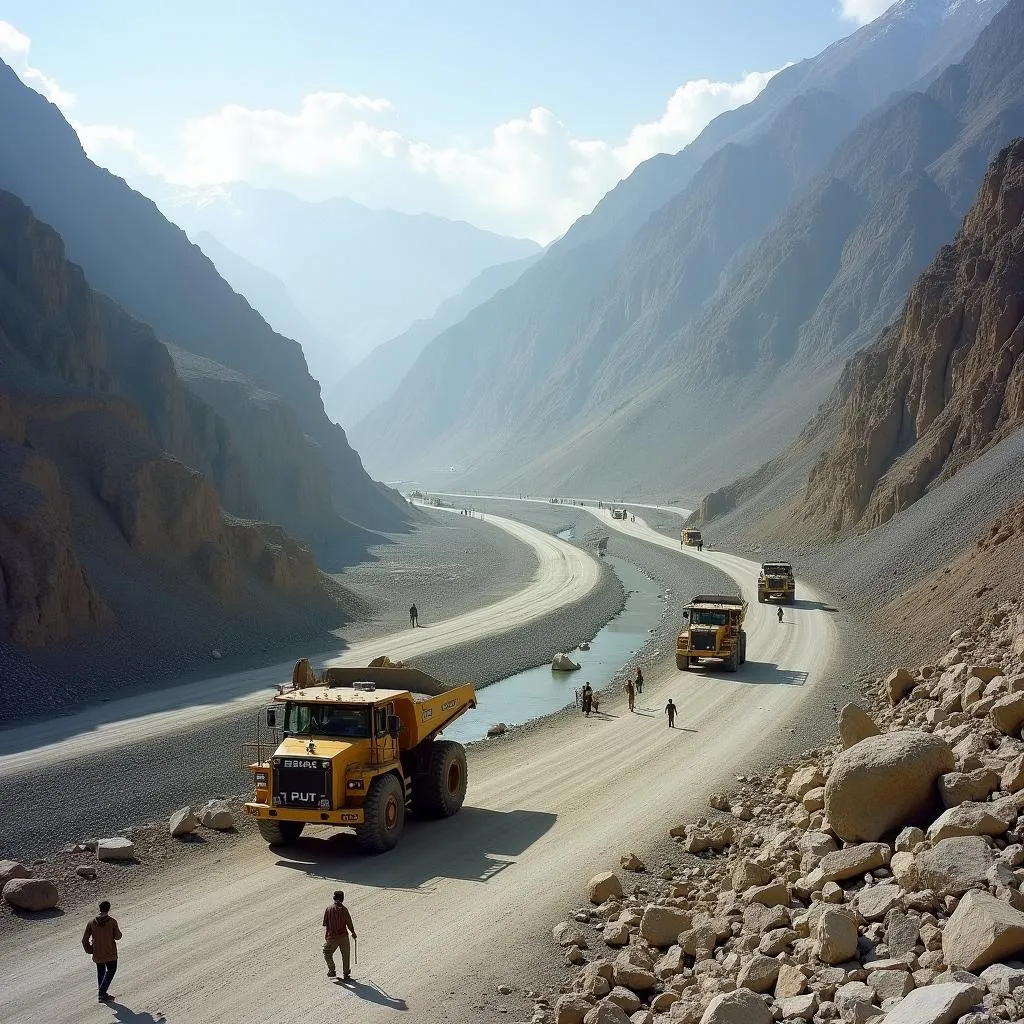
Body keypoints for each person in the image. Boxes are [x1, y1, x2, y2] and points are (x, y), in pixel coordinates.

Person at [82, 900, 121, 1002]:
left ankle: (102, 994)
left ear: (99, 908)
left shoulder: (91, 923)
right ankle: (102, 993)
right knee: (111, 970)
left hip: (98, 953)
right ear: (108, 909)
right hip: (110, 952)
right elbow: (118, 936)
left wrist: (91, 950)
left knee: (101, 971)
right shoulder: (112, 921)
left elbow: (84, 940)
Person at [323, 890, 357, 981]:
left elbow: (326, 924)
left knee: (327, 953)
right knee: (345, 954)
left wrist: (327, 937)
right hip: (343, 937)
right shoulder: (344, 909)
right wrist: (353, 933)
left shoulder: (328, 909)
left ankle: (332, 970)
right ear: (342, 899)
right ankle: (346, 974)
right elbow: (349, 922)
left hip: (332, 937)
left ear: (334, 898)